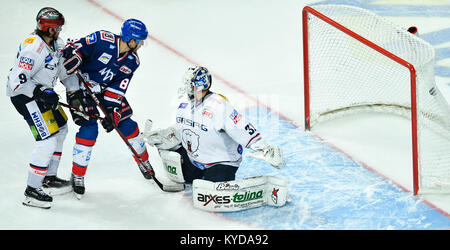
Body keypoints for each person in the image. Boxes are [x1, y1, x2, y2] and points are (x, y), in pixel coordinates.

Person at [145, 66, 286, 183]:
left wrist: (265, 148)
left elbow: (242, 128)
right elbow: (181, 126)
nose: (187, 87)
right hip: (194, 159)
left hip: (221, 162)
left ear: (200, 85)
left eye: (190, 84)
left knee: (214, 187)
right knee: (184, 176)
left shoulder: (219, 106)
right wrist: (164, 135)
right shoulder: (184, 101)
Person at [61, 18, 152, 199]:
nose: (141, 44)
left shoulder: (133, 61)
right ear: (132, 40)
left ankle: (144, 162)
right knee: (89, 129)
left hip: (104, 91)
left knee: (127, 124)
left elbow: (118, 87)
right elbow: (75, 47)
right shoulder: (102, 39)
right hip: (80, 88)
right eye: (140, 41)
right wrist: (75, 56)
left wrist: (111, 110)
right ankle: (78, 174)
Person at [6, 7, 72, 209]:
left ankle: (49, 178)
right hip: (25, 97)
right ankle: (32, 190)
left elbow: (62, 70)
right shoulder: (33, 48)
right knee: (47, 140)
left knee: (61, 128)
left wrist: (74, 92)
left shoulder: (55, 43)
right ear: (50, 29)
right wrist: (39, 93)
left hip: (42, 94)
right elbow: (16, 82)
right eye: (59, 27)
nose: (61, 29)